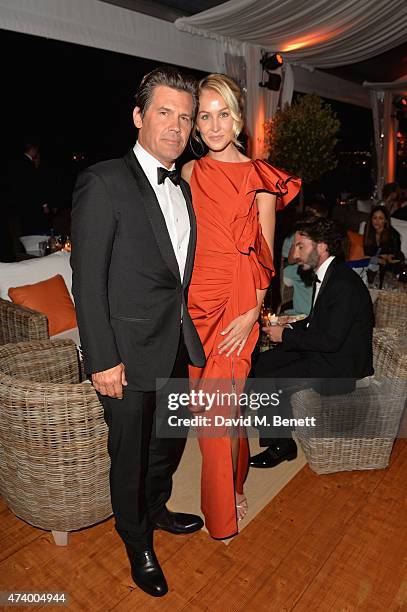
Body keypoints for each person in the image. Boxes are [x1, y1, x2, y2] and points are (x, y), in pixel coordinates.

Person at [71, 66, 206, 598]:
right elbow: (88, 278)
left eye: (184, 117)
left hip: (174, 343)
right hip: (123, 353)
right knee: (129, 455)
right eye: (163, 113)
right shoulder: (103, 180)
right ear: (138, 117)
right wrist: (101, 357)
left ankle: (157, 509)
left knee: (169, 443)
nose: (175, 127)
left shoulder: (184, 187)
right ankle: (136, 540)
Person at [181, 73, 300, 539]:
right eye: (205, 117)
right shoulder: (190, 173)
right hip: (196, 303)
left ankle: (222, 516)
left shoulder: (260, 177)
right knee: (211, 413)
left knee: (213, 419)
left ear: (237, 119)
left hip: (237, 302)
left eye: (222, 115)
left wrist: (252, 312)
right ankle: (236, 476)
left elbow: (266, 253)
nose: (213, 126)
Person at [249, 217, 374, 468]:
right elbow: (318, 322)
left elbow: (331, 339)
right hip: (325, 353)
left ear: (322, 247)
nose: (294, 255)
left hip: (340, 367)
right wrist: (288, 327)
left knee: (270, 382)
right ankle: (273, 428)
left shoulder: (343, 284)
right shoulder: (329, 275)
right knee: (261, 362)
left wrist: (285, 336)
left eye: (300, 246)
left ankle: (282, 446)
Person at [281, 200, 329, 315]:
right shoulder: (297, 234)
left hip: (309, 266)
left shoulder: (321, 235)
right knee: (306, 276)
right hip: (292, 269)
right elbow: (291, 259)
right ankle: (305, 313)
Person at [363, 205, 404, 279]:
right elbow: (366, 253)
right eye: (374, 218)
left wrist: (380, 258)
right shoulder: (368, 230)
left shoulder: (393, 235)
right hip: (374, 263)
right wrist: (381, 258)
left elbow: (394, 258)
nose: (377, 221)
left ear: (386, 220)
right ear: (371, 219)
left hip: (392, 266)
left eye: (380, 218)